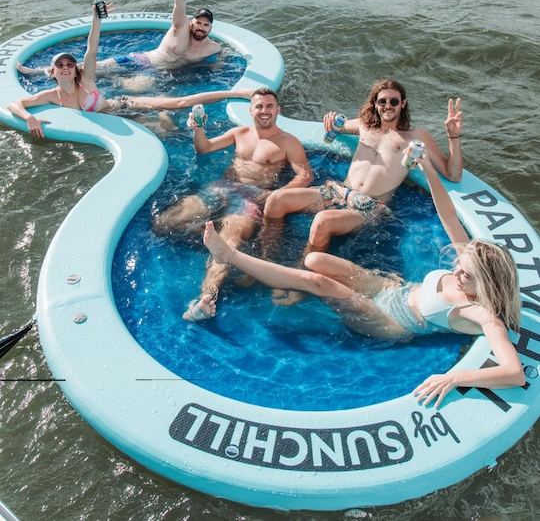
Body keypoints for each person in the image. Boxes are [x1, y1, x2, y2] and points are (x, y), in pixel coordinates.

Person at [202, 151, 525, 408]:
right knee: (315, 260)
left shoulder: (480, 314)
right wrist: (426, 168)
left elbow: (514, 373)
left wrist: (455, 378)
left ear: (485, 283)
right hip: (389, 287)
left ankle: (231, 257)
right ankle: (287, 283)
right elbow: (448, 214)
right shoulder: (467, 266)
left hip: (392, 321)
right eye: (460, 265)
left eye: (465, 274)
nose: (456, 270)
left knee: (321, 284)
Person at [153, 87, 313, 321]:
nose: (264, 110)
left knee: (230, 242)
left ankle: (206, 298)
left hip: (252, 198)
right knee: (164, 222)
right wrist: (197, 130)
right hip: (222, 188)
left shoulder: (289, 142)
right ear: (251, 110)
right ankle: (211, 235)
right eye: (259, 106)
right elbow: (204, 148)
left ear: (278, 110)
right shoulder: (240, 132)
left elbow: (305, 176)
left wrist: (275, 194)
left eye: (269, 106)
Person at [264, 77, 463, 257]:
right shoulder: (364, 126)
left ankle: (301, 274)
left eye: (394, 101)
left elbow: (452, 174)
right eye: (382, 101)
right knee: (276, 200)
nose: (388, 106)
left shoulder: (416, 137)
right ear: (375, 104)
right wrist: (331, 119)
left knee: (322, 222)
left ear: (403, 104)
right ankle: (268, 256)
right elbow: (336, 125)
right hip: (337, 192)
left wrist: (453, 137)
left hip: (369, 207)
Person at [7, 3, 253, 139]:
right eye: (60, 66)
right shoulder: (52, 95)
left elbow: (91, 49)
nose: (66, 68)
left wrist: (96, 19)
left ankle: (237, 94)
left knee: (179, 103)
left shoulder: (86, 79)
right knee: (168, 134)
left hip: (122, 105)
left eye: (69, 65)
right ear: (52, 72)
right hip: (117, 120)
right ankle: (167, 121)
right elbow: (14, 105)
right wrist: (28, 117)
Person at [16, 0, 220, 76]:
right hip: (143, 62)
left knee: (134, 88)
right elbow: (179, 3)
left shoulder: (213, 48)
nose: (201, 27)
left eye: (205, 25)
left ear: (210, 28)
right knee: (97, 69)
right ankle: (42, 72)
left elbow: (219, 63)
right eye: (198, 23)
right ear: (191, 23)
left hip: (166, 76)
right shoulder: (180, 27)